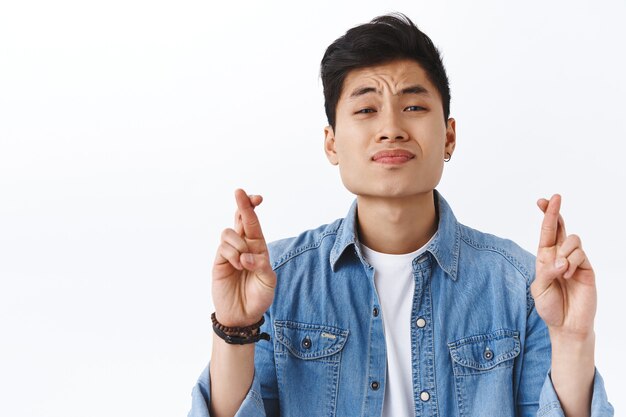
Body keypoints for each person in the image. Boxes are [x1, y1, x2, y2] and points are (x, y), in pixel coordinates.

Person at [189, 13, 613, 417]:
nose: (391, 128)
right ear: (332, 143)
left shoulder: (520, 285)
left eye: (413, 107)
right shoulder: (276, 281)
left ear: (448, 136)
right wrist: (234, 329)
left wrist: (573, 339)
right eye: (366, 110)